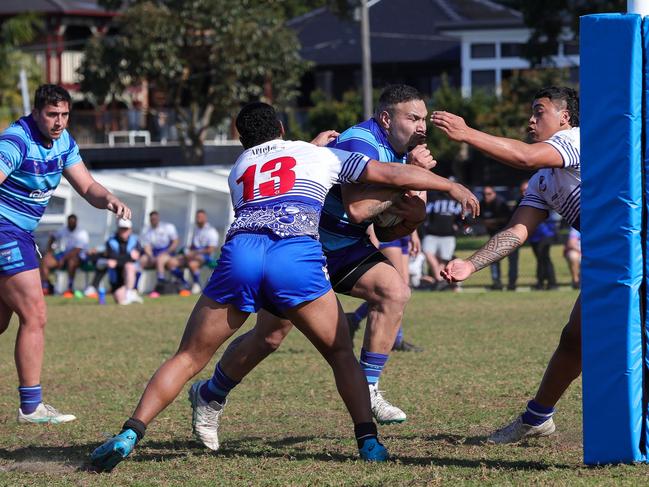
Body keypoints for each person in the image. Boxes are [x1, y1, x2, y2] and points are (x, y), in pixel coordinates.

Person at [90, 101, 479, 471]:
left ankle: (129, 433)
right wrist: (448, 185)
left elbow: (276, 167)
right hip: (293, 256)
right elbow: (389, 175)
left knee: (189, 356)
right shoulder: (320, 156)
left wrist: (307, 148)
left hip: (241, 252)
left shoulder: (239, 166)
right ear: (281, 128)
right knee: (341, 353)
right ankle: (368, 441)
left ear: (241, 139)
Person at [213, 85, 441, 431]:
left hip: (346, 247)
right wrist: (410, 180)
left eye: (424, 118)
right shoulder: (360, 142)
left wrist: (414, 216)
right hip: (307, 249)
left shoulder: (401, 153)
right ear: (385, 118)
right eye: (413, 118)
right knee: (270, 336)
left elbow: (387, 230)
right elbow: (359, 208)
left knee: (394, 291)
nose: (422, 126)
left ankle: (368, 388)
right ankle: (212, 392)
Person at [432, 85, 580, 443]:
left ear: (565, 117)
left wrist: (467, 133)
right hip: (612, 258)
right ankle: (537, 418)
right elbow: (517, 231)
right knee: (575, 339)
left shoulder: (577, 139)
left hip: (635, 251)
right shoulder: (544, 180)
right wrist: (471, 264)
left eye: (539, 111)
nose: (531, 119)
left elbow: (525, 157)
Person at [0, 84, 131, 424]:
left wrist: (110, 199)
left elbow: (86, 186)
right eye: (52, 115)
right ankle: (31, 406)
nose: (59, 122)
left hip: (20, 235)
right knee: (35, 314)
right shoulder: (16, 140)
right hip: (4, 231)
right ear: (36, 112)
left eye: (64, 114)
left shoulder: (64, 142)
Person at [420, 189, 464, 291]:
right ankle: (440, 280)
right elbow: (425, 214)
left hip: (448, 235)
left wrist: (457, 226)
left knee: (444, 259)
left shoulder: (456, 201)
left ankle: (439, 281)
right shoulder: (433, 198)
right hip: (431, 234)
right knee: (428, 253)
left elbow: (463, 218)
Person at [39, 213, 89, 297]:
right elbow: (53, 237)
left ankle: (70, 287)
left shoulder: (82, 233)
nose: (72, 224)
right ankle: (45, 287)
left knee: (71, 261)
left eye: (73, 222)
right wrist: (49, 251)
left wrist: (63, 259)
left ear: (76, 222)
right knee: (46, 261)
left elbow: (77, 250)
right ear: (68, 222)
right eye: (70, 222)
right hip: (64, 254)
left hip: (79, 256)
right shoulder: (63, 230)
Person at [479, 186, 517, 290]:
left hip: (508, 237)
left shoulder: (501, 203)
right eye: (484, 194)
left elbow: (506, 219)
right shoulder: (482, 204)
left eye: (489, 194)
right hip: (493, 237)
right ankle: (497, 284)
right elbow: (479, 219)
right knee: (493, 261)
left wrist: (490, 222)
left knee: (512, 261)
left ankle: (512, 284)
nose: (486, 196)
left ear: (494, 193)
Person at [139, 211, 183, 294]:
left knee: (160, 260)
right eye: (152, 219)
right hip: (154, 253)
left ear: (158, 218)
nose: (154, 220)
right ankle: (134, 288)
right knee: (142, 260)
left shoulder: (168, 227)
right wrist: (150, 256)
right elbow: (146, 247)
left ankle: (160, 283)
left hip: (167, 252)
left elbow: (175, 242)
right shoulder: (146, 230)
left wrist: (166, 252)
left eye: (155, 218)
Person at [182, 209, 219, 294]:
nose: (198, 218)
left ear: (205, 218)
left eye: (200, 217)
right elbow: (192, 246)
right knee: (173, 262)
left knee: (192, 264)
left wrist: (194, 253)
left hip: (208, 257)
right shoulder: (196, 230)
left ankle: (198, 285)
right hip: (194, 256)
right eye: (197, 217)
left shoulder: (211, 231)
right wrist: (186, 251)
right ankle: (184, 284)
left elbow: (211, 249)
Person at [529, 214, 558, 290]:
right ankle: (546, 283)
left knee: (543, 260)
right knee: (543, 260)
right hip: (538, 237)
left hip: (542, 236)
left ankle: (547, 283)